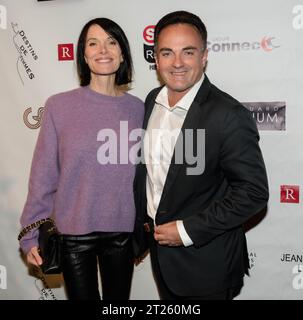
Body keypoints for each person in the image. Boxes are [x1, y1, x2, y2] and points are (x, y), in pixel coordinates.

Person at [133, 10, 269, 300]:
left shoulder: (228, 115)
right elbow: (154, 177)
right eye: (167, 53)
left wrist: (185, 230)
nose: (178, 63)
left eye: (188, 52)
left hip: (207, 264)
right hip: (162, 259)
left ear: (204, 56)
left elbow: (254, 192)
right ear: (155, 59)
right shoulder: (151, 102)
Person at [19, 17, 144, 300]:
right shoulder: (59, 106)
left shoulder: (138, 110)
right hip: (73, 230)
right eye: (93, 43)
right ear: (84, 55)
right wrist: (30, 234)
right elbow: (43, 176)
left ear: (122, 53)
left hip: (122, 229)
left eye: (112, 42)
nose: (103, 50)